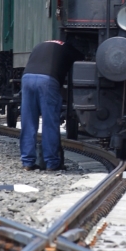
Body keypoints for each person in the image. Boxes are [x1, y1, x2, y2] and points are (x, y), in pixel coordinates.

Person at [20, 40, 83, 171]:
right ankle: (52, 163)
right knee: (50, 122)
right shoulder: (69, 48)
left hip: (27, 78)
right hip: (47, 80)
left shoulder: (40, 44)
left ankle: (27, 162)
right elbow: (81, 64)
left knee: (28, 121)